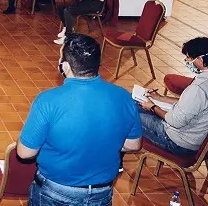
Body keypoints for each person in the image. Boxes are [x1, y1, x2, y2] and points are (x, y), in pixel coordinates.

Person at [18, 33, 142, 206]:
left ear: (66, 66)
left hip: (55, 191)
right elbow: (133, 145)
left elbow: (25, 153)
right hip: (102, 192)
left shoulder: (48, 100)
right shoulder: (123, 97)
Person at [137, 37, 208, 156]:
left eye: (189, 58)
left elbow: (175, 121)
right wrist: (160, 98)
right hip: (197, 136)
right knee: (136, 106)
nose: (187, 60)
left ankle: (117, 155)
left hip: (179, 143)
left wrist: (153, 107)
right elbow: (193, 104)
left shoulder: (199, 88)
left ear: (200, 60)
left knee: (128, 115)